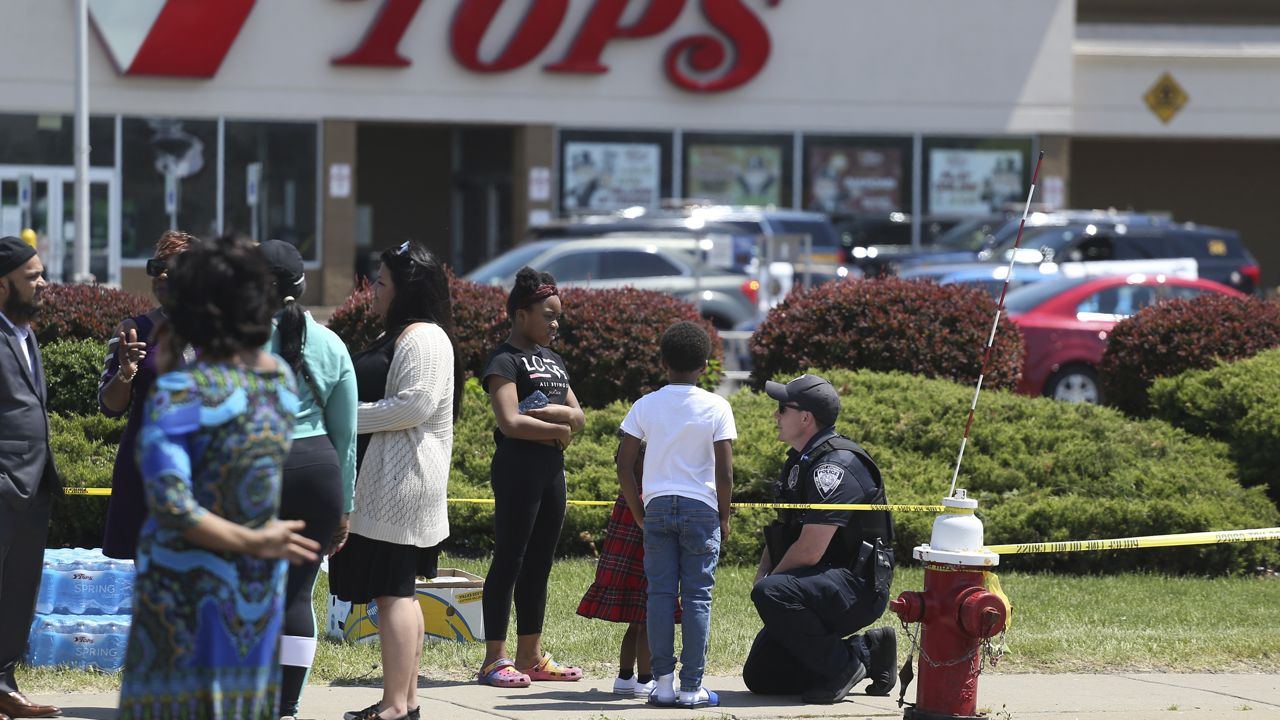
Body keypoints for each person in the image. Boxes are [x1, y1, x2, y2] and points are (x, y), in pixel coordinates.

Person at [117, 235, 321, 719]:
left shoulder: (181, 393)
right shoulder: (278, 384)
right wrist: (256, 541)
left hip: (179, 595)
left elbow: (171, 505)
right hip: (252, 591)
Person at [328, 240, 461, 720]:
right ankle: (404, 703)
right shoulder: (405, 334)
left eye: (381, 283)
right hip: (388, 485)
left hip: (402, 487)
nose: (373, 291)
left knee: (393, 595)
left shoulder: (425, 338)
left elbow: (413, 406)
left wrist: (341, 418)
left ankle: (394, 707)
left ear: (407, 289)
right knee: (395, 593)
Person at [743, 374, 898, 705]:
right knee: (761, 675)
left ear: (805, 418)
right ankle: (867, 649)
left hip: (856, 586)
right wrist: (764, 572)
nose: (775, 415)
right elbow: (785, 531)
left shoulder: (837, 466)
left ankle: (844, 667)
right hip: (819, 583)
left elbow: (811, 548)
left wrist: (770, 588)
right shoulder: (800, 461)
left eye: (782, 408)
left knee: (773, 592)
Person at [259, 239, 358, 720]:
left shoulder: (234, 337)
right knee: (298, 594)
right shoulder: (332, 343)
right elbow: (346, 434)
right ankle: (287, 706)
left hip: (256, 469)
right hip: (317, 471)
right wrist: (344, 507)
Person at [617, 320, 736, 709]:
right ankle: (692, 687)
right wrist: (724, 516)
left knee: (660, 597)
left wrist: (638, 509)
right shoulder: (717, 406)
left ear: (663, 361)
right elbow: (725, 471)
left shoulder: (645, 405)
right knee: (698, 598)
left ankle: (663, 684)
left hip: (656, 508)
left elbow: (624, 462)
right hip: (701, 509)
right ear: (705, 365)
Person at [478, 267, 585, 688]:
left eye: (558, 315)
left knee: (539, 564)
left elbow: (580, 415)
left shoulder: (553, 361)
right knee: (510, 559)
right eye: (548, 314)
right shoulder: (504, 359)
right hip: (518, 467)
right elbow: (509, 422)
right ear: (521, 313)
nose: (555, 323)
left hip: (550, 471)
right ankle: (493, 659)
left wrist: (562, 420)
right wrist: (560, 429)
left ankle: (530, 657)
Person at [99, 230, 197, 560]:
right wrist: (125, 373)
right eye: (157, 266)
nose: (164, 274)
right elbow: (109, 407)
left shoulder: (218, 331)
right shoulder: (132, 330)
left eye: (175, 265)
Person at [0, 236, 62, 720]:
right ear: (2, 287)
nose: (43, 284)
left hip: (33, 487)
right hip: (3, 485)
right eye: (32, 277)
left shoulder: (25, 332)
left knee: (20, 591)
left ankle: (3, 683)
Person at [576, 439, 678, 699]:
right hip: (644, 570)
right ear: (641, 463)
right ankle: (645, 679)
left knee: (635, 626)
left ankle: (624, 677)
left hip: (625, 571)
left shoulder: (627, 495)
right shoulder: (648, 494)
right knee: (647, 626)